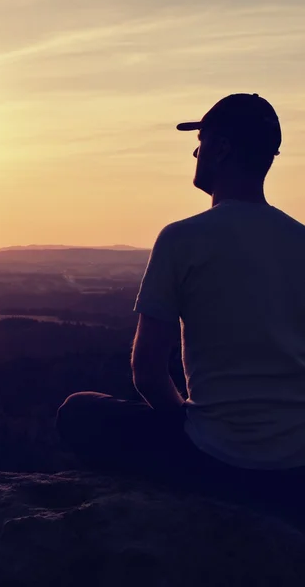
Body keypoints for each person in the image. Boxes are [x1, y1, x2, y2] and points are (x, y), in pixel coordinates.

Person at [56, 93, 305, 515]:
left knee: (77, 412)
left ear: (222, 149)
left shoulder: (181, 239)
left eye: (201, 142)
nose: (196, 153)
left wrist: (187, 426)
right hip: (294, 469)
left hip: (215, 461)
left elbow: (148, 372)